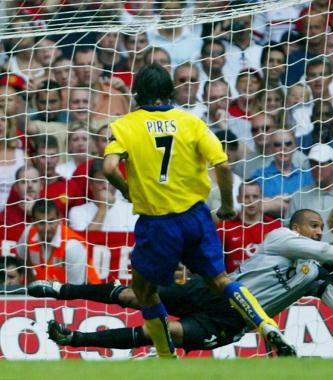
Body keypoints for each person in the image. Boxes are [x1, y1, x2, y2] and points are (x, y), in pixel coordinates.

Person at [102, 63, 294, 358]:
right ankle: (267, 325)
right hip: (196, 217)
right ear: (170, 91)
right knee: (220, 281)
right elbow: (224, 165)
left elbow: (109, 167)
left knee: (144, 291)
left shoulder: (124, 125)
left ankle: (166, 356)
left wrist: (126, 189)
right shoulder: (191, 122)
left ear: (137, 93)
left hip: (158, 222)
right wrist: (229, 204)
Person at [30, 209, 333, 353]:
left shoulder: (316, 274)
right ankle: (61, 290)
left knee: (163, 333)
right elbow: (326, 253)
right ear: (298, 227)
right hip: (215, 290)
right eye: (314, 226)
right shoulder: (279, 238)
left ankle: (74, 339)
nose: (319, 232)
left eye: (321, 228)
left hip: (233, 320)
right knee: (137, 295)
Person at [17, 199, 101, 285]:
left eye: (51, 221)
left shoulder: (72, 246)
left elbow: (76, 290)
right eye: (41, 223)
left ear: (59, 219)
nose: (47, 228)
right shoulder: (28, 233)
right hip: (51, 291)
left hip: (87, 293)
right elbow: (24, 263)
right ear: (33, 222)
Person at [217, 182, 282, 273]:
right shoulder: (224, 228)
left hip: (267, 281)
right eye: (246, 197)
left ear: (261, 198)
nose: (251, 201)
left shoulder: (275, 226)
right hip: (235, 282)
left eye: (255, 196)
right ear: (238, 199)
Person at [68, 159, 137, 232]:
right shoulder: (77, 212)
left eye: (110, 182)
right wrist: (103, 208)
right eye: (100, 182)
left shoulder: (131, 210)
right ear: (91, 185)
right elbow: (84, 241)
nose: (105, 186)